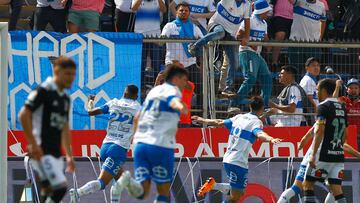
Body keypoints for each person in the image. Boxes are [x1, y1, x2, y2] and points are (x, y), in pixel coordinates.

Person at [113, 64, 189, 203]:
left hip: (140, 146)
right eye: (184, 80)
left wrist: (136, 140)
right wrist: (181, 107)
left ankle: (127, 180)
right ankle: (128, 180)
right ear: (176, 79)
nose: (186, 84)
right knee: (163, 192)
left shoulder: (153, 92)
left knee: (142, 193)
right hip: (160, 145)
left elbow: (137, 117)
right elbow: (173, 101)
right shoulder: (173, 90)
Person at [192, 96, 282, 202]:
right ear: (262, 108)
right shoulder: (256, 122)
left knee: (239, 192)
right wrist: (271, 139)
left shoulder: (239, 117)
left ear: (250, 106)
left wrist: (203, 120)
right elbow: (260, 133)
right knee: (234, 197)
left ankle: (214, 185)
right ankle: (214, 185)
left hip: (228, 159)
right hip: (238, 161)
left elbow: (219, 122)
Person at [18, 56, 76, 203]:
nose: (71, 78)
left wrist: (69, 156)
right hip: (41, 150)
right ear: (57, 72)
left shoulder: (66, 99)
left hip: (55, 153)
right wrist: (32, 143)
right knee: (60, 188)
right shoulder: (43, 91)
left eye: (73, 74)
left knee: (47, 193)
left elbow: (64, 128)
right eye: (67, 74)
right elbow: (24, 114)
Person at [69, 85, 141, 203]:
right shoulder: (138, 108)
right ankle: (78, 193)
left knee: (119, 181)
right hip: (118, 149)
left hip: (105, 146)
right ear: (136, 96)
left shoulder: (114, 102)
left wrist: (90, 101)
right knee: (102, 182)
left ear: (124, 93)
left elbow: (90, 112)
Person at [277, 117, 360, 203]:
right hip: (314, 161)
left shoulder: (319, 123)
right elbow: (343, 145)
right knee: (298, 188)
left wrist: (300, 146)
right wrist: (358, 154)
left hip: (319, 161)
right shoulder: (330, 127)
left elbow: (306, 138)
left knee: (332, 190)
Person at [188, 0, 251, 96]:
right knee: (220, 32)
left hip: (230, 33)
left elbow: (247, 21)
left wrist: (246, 37)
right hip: (215, 24)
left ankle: (228, 87)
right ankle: (195, 46)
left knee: (235, 61)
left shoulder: (247, 4)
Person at [302, 79, 348, 203]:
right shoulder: (342, 107)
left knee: (307, 184)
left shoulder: (323, 106)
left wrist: (312, 155)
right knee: (337, 190)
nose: (317, 93)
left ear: (323, 90)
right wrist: (337, 148)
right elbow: (345, 135)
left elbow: (319, 131)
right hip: (338, 155)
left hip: (322, 155)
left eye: (317, 90)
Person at [228, 0, 273, 113]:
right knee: (251, 78)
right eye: (266, 11)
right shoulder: (249, 20)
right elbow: (239, 35)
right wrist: (250, 43)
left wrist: (268, 43)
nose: (268, 13)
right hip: (247, 52)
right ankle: (233, 104)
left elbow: (265, 37)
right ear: (261, 11)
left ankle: (264, 105)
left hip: (257, 54)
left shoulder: (264, 24)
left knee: (267, 77)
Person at [161, 2, 203, 106]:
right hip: (173, 65)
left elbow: (203, 41)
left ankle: (198, 117)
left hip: (190, 64)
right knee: (170, 91)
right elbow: (160, 41)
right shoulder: (169, 26)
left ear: (189, 13)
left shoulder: (194, 28)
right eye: (181, 10)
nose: (183, 12)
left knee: (201, 89)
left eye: (186, 11)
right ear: (176, 12)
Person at [287, 0, 326, 74]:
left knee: (314, 73)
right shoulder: (299, 1)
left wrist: (320, 37)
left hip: (314, 44)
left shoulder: (321, 5)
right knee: (295, 72)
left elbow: (323, 21)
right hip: (296, 43)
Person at [269, 0, 293, 70]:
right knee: (280, 36)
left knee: (294, 38)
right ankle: (274, 63)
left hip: (295, 16)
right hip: (279, 15)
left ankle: (291, 64)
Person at [337, 78, 360, 150]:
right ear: (347, 90)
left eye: (356, 88)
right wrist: (337, 87)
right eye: (351, 88)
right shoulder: (342, 100)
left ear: (359, 90)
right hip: (344, 136)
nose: (353, 90)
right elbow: (332, 101)